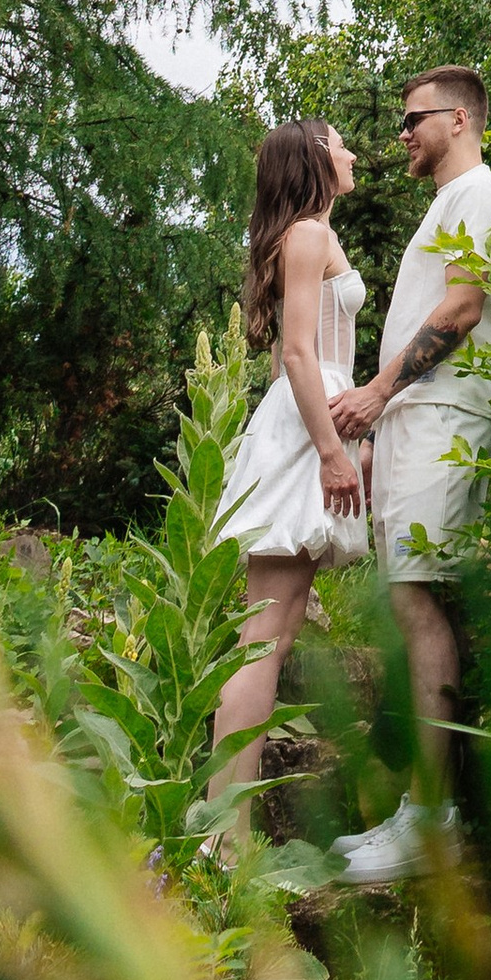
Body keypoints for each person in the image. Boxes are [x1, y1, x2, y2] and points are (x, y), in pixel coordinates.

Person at [328, 65, 491, 880]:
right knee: (411, 599)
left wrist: (376, 396)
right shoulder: (449, 204)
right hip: (417, 423)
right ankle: (422, 812)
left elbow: (462, 309)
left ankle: (432, 822)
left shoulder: (481, 194)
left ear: (459, 121)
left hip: (444, 419)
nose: (401, 134)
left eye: (414, 120)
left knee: (418, 601)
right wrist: (382, 431)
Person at [211, 119, 369, 821]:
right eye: (340, 142)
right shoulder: (307, 235)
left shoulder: (308, 236)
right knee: (261, 639)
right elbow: (301, 357)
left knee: (274, 631)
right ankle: (223, 833)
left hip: (302, 423)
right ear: (315, 159)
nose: (352, 153)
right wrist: (332, 452)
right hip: (310, 428)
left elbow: (283, 361)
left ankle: (228, 829)